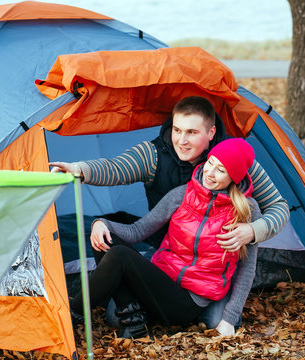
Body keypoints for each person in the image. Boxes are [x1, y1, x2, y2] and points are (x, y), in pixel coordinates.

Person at [70, 138, 260, 338]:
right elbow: (138, 230)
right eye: (210, 162)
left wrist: (230, 318)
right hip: (162, 279)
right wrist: (102, 223)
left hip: (189, 300)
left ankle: (73, 313)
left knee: (118, 256)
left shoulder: (247, 211)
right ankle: (135, 323)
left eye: (221, 170)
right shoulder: (181, 195)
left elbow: (247, 269)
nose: (210, 173)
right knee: (106, 240)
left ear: (234, 177)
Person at [50, 96, 289, 251]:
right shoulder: (154, 154)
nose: (181, 141)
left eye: (192, 132)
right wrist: (79, 169)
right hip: (164, 251)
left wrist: (253, 231)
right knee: (108, 239)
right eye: (177, 130)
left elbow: (278, 206)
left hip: (213, 263)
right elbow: (115, 168)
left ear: (211, 132)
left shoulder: (234, 157)